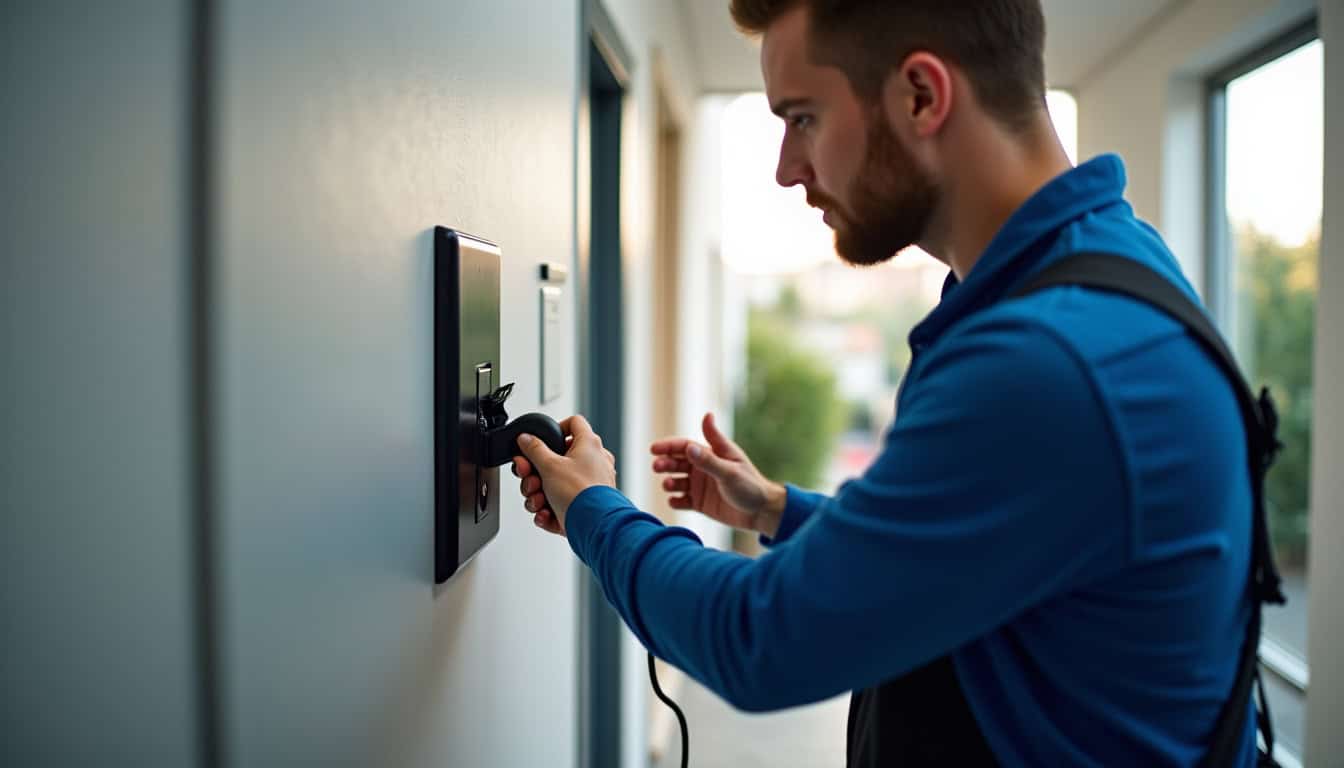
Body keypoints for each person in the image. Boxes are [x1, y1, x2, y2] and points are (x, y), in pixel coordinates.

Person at [511, 1, 1262, 764]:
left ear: (921, 96)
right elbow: (984, 538)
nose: (784, 169)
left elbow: (760, 639)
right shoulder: (1101, 264)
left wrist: (592, 510)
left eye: (801, 118)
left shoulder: (1047, 361)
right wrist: (777, 508)